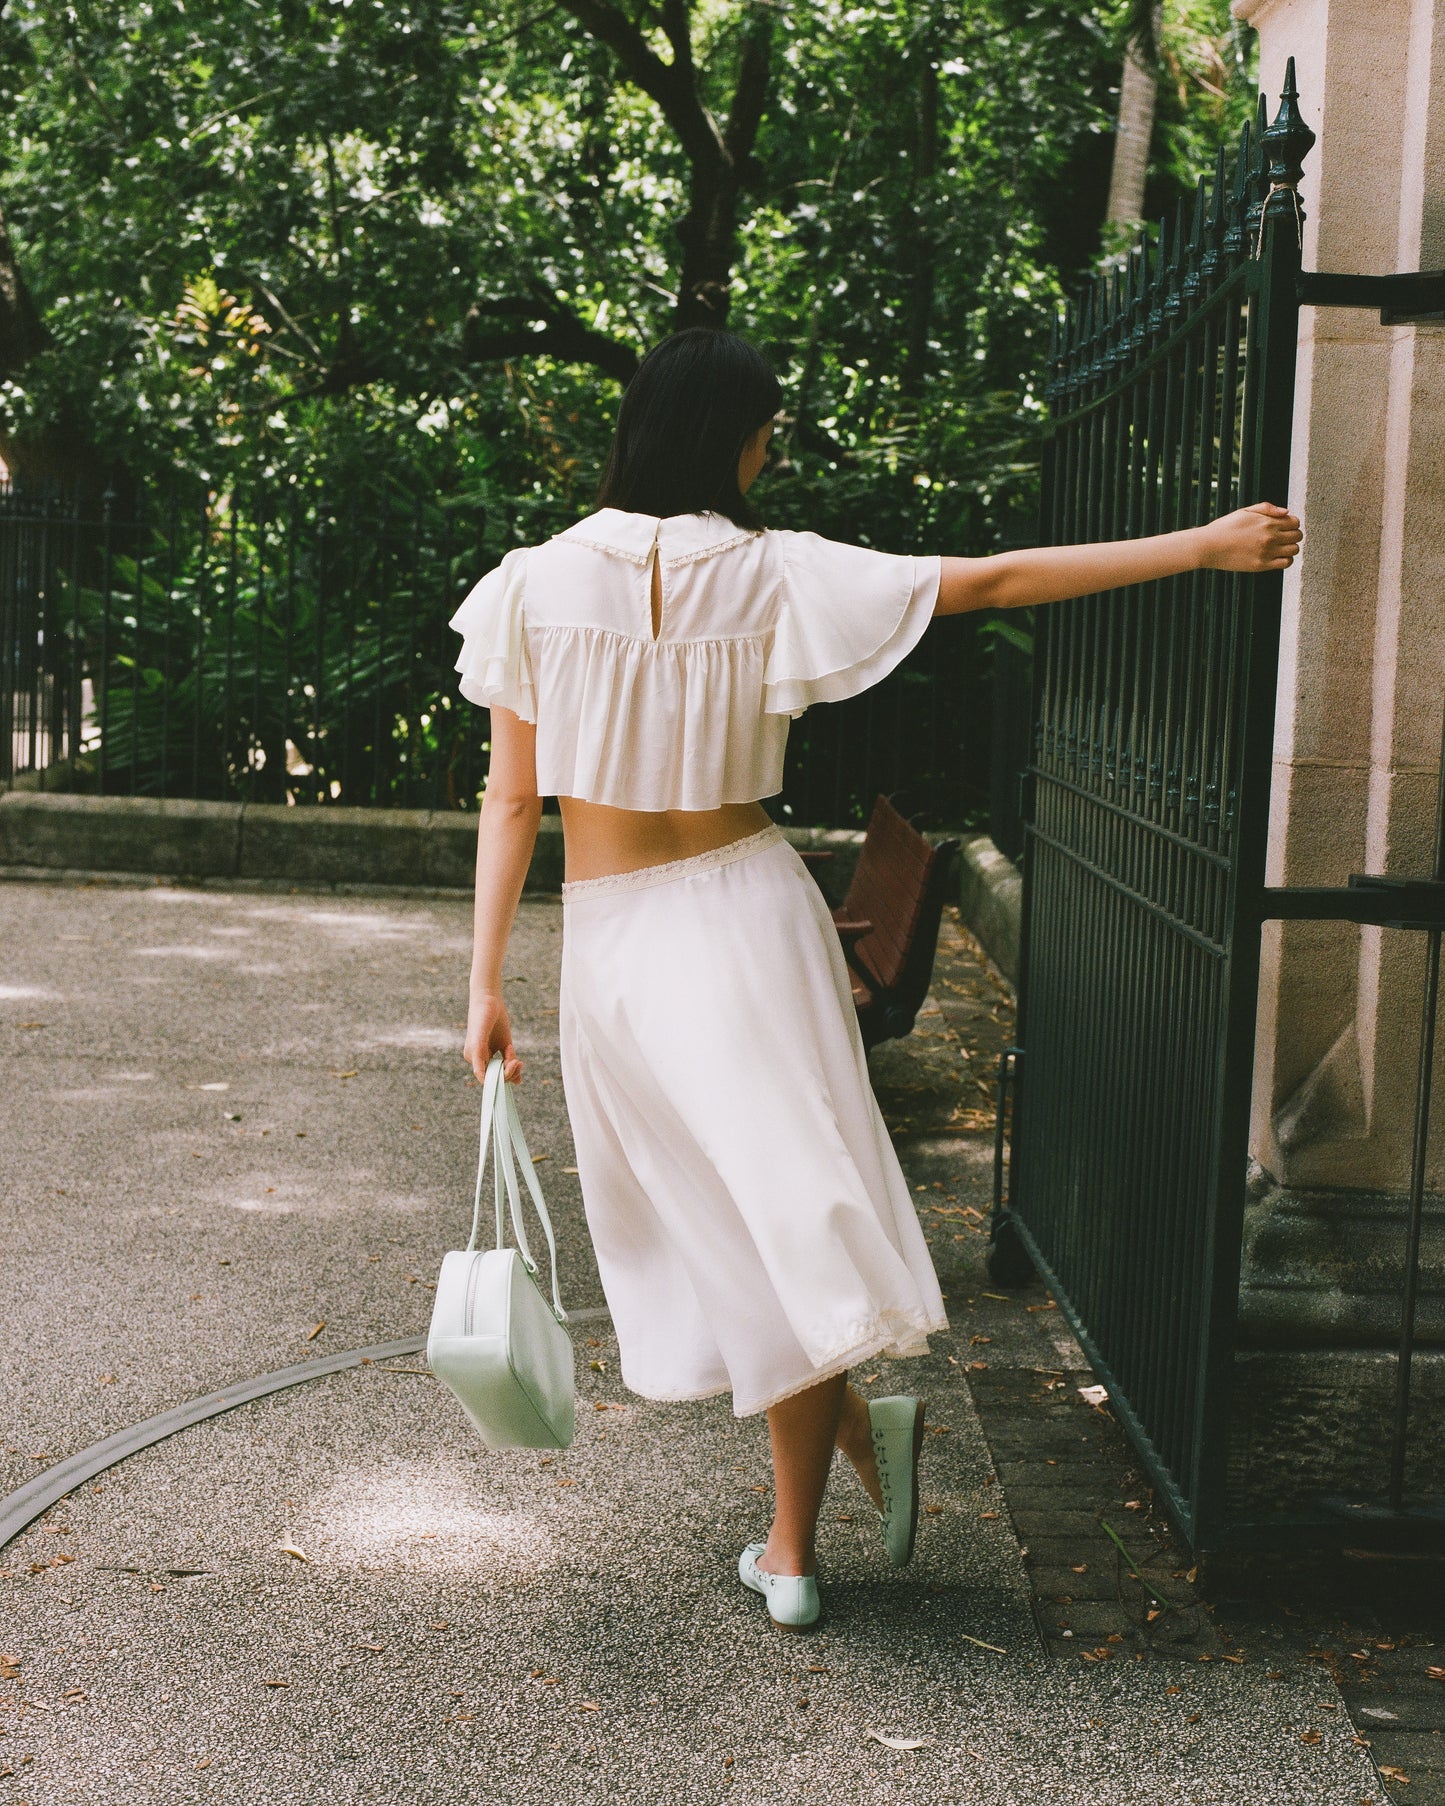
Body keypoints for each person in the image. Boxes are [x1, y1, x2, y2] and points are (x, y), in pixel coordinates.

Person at [453, 326, 1301, 1632]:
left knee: (743, 1218)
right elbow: (996, 577)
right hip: (744, 912)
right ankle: (843, 1450)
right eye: (764, 428)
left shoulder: (530, 582)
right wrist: (1197, 545)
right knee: (766, 1217)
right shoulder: (775, 574)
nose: (770, 448)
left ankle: (793, 1547)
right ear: (729, 436)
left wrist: (482, 980)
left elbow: (513, 800)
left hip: (616, 937)